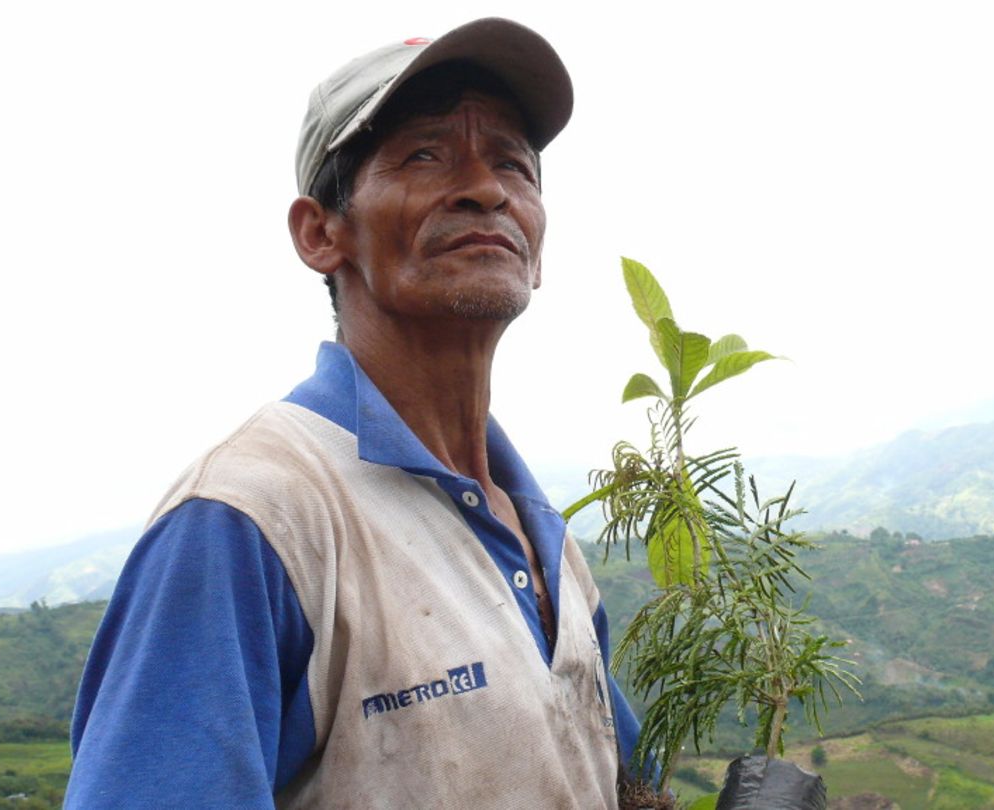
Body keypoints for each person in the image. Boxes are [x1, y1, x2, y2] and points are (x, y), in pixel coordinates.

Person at [66, 18, 639, 808]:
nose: (487, 188)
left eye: (514, 163)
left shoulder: (546, 542)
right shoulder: (250, 521)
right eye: (425, 154)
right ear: (320, 233)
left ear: (537, 248)